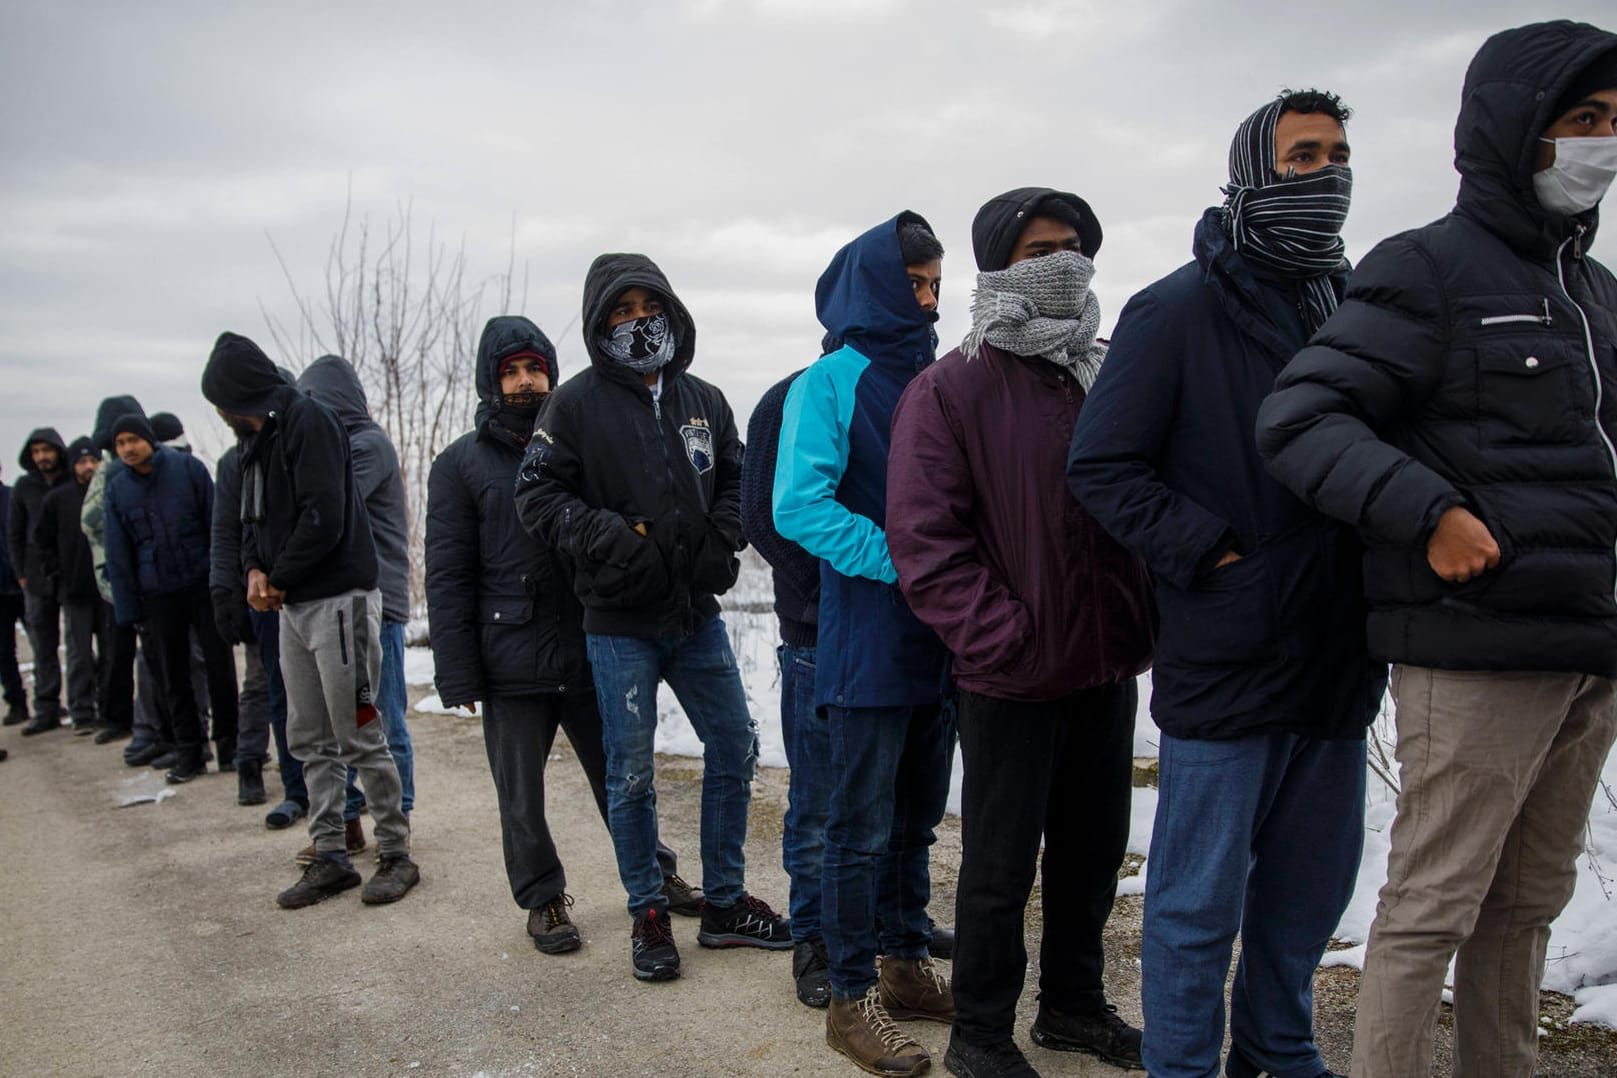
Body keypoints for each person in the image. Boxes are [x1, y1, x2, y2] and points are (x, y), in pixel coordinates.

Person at [1255, 22, 1617, 1078]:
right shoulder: (1428, 267)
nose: (1603, 144)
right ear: (1515, 132)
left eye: (1615, 124)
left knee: (1526, 905)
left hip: (1588, 649)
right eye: (1583, 122)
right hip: (1476, 646)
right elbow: (1302, 419)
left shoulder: (1595, 294)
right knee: (1432, 906)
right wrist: (1431, 512)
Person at [1068, 90, 1384, 1078]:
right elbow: (1101, 466)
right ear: (1252, 168)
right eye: (1301, 156)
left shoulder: (1354, 304)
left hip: (1338, 652)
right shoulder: (1175, 309)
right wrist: (1210, 554)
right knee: (1199, 902)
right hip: (1230, 651)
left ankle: (1278, 1049)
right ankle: (1183, 1066)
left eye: (1336, 155)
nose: (1324, 174)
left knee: (1309, 889)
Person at [888, 188, 1155, 1078]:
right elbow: (925, 542)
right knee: (1000, 867)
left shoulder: (1106, 369)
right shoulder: (951, 387)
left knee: (1091, 852)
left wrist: (1141, 615)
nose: (1062, 261)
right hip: (1010, 674)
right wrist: (1002, 637)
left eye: (1074, 245)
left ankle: (1074, 1008)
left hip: (1106, 661)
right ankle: (981, 1033)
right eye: (1038, 248)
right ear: (997, 264)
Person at [515, 253, 788, 982]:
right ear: (598, 324)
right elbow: (536, 497)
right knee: (631, 773)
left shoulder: (703, 398)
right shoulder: (572, 406)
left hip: (695, 617)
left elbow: (736, 474)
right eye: (620, 311)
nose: (638, 321)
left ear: (671, 309)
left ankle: (725, 905)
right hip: (618, 626)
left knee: (733, 744)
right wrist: (612, 538)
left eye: (648, 305)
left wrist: (719, 534)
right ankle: (648, 911)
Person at [428, 314, 698, 953]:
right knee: (520, 793)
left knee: (623, 775)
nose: (526, 382)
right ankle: (543, 898)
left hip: (586, 642)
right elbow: (447, 573)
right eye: (510, 372)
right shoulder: (459, 465)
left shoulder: (577, 438)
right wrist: (458, 670)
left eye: (535, 367)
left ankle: (656, 876)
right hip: (507, 657)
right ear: (491, 382)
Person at [773, 213, 955, 1077]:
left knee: (916, 819)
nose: (927, 299)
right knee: (855, 828)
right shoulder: (831, 381)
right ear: (872, 283)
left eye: (933, 283)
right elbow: (796, 507)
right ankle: (850, 1001)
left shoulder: (940, 374)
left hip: (942, 637)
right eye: (913, 282)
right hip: (869, 638)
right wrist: (906, 560)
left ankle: (905, 961)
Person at [203, 331, 418, 909]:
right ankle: (330, 855)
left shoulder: (311, 422)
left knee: (359, 731)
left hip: (340, 600)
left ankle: (396, 852)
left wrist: (278, 575)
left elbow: (324, 515)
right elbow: (250, 520)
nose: (223, 414)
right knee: (307, 736)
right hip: (293, 607)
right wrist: (253, 571)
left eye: (224, 402)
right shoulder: (257, 439)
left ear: (241, 392)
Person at [298, 357, 417, 836]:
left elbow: (330, 507)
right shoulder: (336, 449)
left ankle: (399, 813)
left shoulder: (367, 446)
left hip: (380, 601)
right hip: (344, 603)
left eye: (315, 404)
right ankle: (348, 819)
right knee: (339, 719)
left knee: (383, 715)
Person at [103, 414, 239, 785]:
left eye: (133, 439)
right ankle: (190, 752)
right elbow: (118, 555)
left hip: (202, 583)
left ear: (149, 439)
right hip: (157, 594)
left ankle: (231, 745)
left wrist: (228, 584)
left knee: (219, 665)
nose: (128, 448)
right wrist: (130, 611)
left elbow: (218, 526)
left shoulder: (187, 470)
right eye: (120, 443)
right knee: (172, 674)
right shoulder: (117, 490)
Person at [81, 395, 168, 762]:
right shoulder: (114, 470)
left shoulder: (119, 472)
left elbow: (93, 519)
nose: (127, 447)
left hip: (140, 579)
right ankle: (151, 728)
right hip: (124, 579)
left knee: (153, 657)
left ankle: (156, 730)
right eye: (120, 441)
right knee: (142, 655)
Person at [210, 442, 281, 809]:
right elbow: (224, 532)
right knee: (258, 681)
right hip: (257, 592)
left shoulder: (300, 448)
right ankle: (249, 763)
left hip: (302, 587)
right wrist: (224, 592)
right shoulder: (233, 463)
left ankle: (310, 772)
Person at [35, 437, 117, 737]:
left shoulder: (108, 492)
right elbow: (41, 541)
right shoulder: (58, 498)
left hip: (105, 587)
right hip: (74, 590)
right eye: (82, 462)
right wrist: (56, 574)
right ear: (73, 465)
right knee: (79, 654)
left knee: (110, 652)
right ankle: (82, 711)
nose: (89, 467)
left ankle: (109, 707)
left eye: (93, 460)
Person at [8, 427, 68, 734]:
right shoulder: (24, 486)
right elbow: (14, 533)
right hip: (35, 577)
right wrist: (21, 573)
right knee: (43, 645)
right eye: (36, 452)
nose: (42, 457)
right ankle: (47, 707)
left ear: (58, 450)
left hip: (70, 573)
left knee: (79, 641)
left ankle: (88, 702)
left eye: (46, 450)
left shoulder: (71, 481)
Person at [0, 463, 29, 727]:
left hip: (24, 585)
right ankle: (16, 703)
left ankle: (49, 701)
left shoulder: (12, 497)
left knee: (45, 645)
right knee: (4, 653)